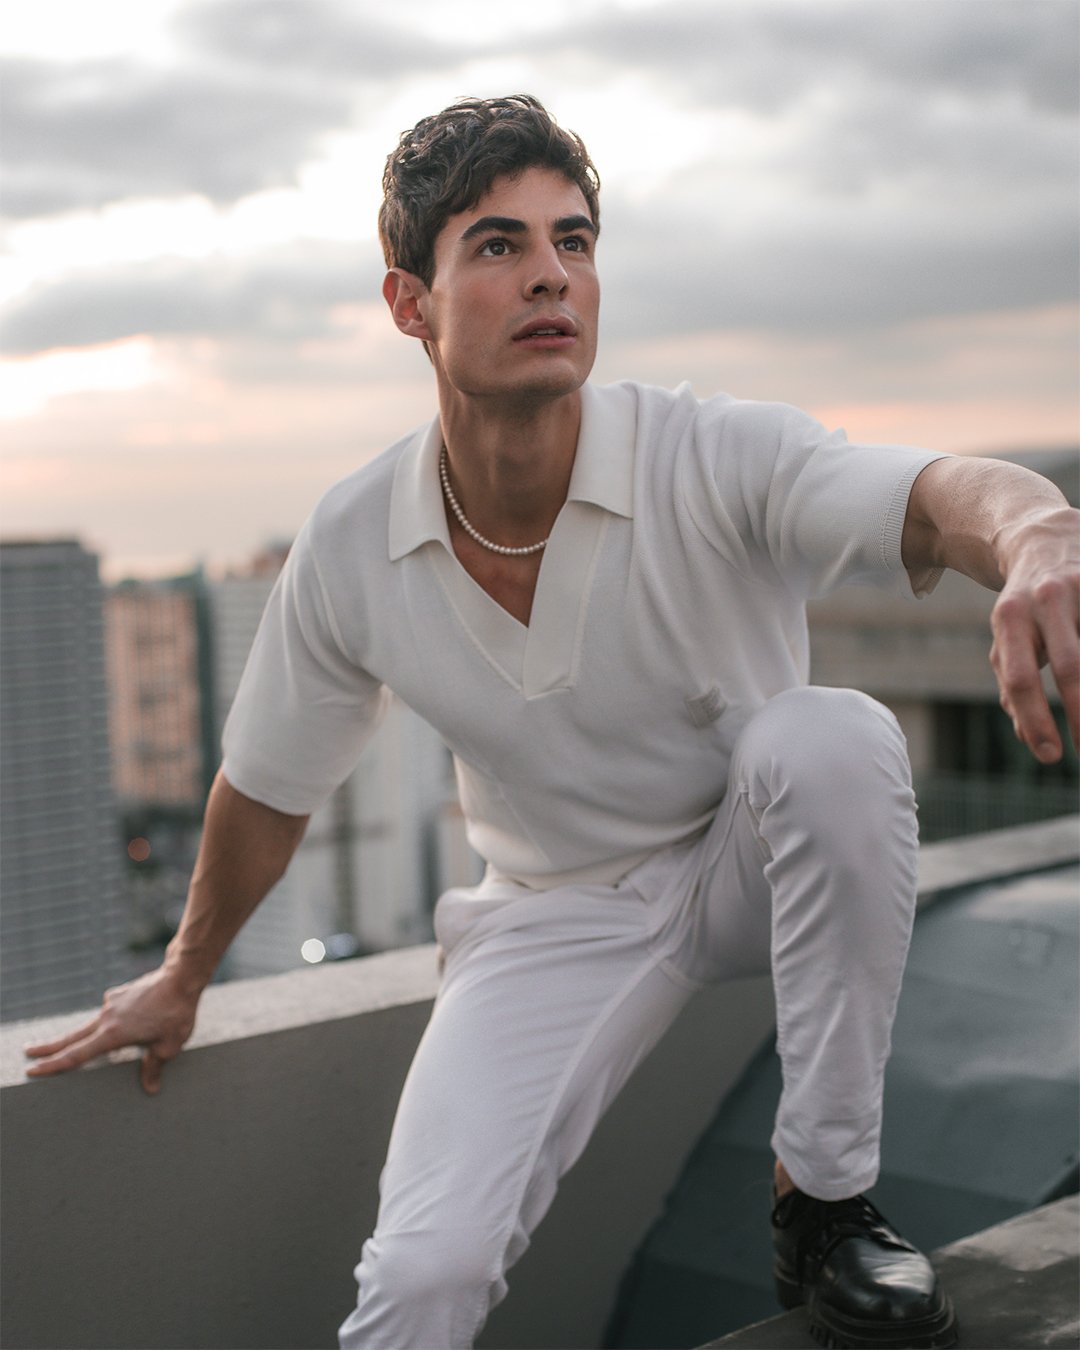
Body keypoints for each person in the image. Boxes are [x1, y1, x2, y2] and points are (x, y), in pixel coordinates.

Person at [25, 95, 1078, 1350]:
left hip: (746, 857)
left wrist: (1039, 533)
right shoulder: (353, 539)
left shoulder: (702, 451)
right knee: (421, 1280)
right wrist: (184, 976)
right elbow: (265, 785)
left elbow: (929, 493)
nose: (550, 275)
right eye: (498, 245)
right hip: (550, 913)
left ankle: (825, 1203)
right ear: (409, 303)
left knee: (832, 736)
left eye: (573, 241)